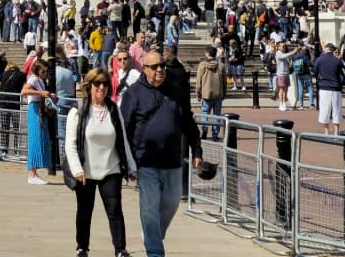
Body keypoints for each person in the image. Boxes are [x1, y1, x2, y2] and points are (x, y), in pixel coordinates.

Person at [121, 51, 203, 257]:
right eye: (155, 66)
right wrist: (126, 161)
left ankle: (152, 235)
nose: (160, 69)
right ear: (145, 69)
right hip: (145, 161)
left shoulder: (176, 91)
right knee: (149, 207)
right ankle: (155, 251)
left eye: (162, 66)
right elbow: (124, 128)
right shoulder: (133, 93)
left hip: (173, 161)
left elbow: (189, 123)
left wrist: (197, 149)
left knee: (172, 202)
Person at [65, 67, 134, 257]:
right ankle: (82, 247)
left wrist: (131, 166)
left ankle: (120, 249)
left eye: (105, 83)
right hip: (85, 171)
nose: (102, 87)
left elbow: (123, 140)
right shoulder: (78, 111)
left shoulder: (114, 109)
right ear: (89, 86)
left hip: (110, 169)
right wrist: (77, 170)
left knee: (115, 211)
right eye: (97, 83)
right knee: (84, 212)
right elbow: (70, 145)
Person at [22, 59, 55, 184]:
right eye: (43, 71)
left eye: (47, 71)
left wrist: (49, 95)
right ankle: (32, 174)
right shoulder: (34, 79)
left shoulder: (40, 80)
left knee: (39, 139)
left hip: (39, 110)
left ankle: (34, 173)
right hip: (34, 110)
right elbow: (24, 91)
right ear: (38, 70)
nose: (46, 73)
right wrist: (41, 92)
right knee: (35, 140)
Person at [313, 43, 345, 135]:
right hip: (336, 87)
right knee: (336, 109)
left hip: (324, 87)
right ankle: (336, 131)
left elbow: (315, 72)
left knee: (325, 109)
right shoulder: (337, 60)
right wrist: (340, 58)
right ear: (333, 50)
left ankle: (326, 131)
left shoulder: (319, 60)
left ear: (325, 49)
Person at [196, 46, 226, 140]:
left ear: (207, 53)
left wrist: (198, 93)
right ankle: (215, 134)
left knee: (204, 113)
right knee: (217, 115)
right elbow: (224, 81)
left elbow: (198, 81)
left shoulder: (202, 65)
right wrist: (224, 93)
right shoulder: (221, 65)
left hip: (206, 93)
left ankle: (204, 129)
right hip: (218, 93)